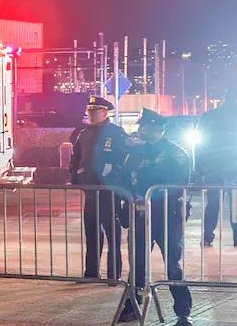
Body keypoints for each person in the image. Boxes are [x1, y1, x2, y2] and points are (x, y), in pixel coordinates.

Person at [119, 109, 193, 325]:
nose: (141, 131)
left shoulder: (175, 153)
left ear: (157, 129)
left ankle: (183, 312)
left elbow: (178, 182)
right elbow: (123, 179)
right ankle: (133, 306)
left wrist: (149, 194)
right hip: (140, 215)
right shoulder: (134, 153)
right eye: (141, 127)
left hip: (167, 215)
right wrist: (129, 198)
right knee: (137, 264)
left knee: (173, 266)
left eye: (145, 127)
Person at [69, 95, 131, 280]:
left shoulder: (117, 133)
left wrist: (116, 178)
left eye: (95, 111)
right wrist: (76, 178)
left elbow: (126, 159)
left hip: (109, 192)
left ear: (104, 113)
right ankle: (91, 273)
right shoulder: (83, 133)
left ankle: (114, 274)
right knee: (92, 233)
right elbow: (76, 158)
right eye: (89, 111)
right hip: (90, 191)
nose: (91, 114)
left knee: (113, 235)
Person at [196, 86, 237, 247]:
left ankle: (207, 237)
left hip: (214, 168)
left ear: (224, 98)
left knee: (212, 203)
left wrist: (199, 167)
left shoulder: (208, 117)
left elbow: (199, 145)